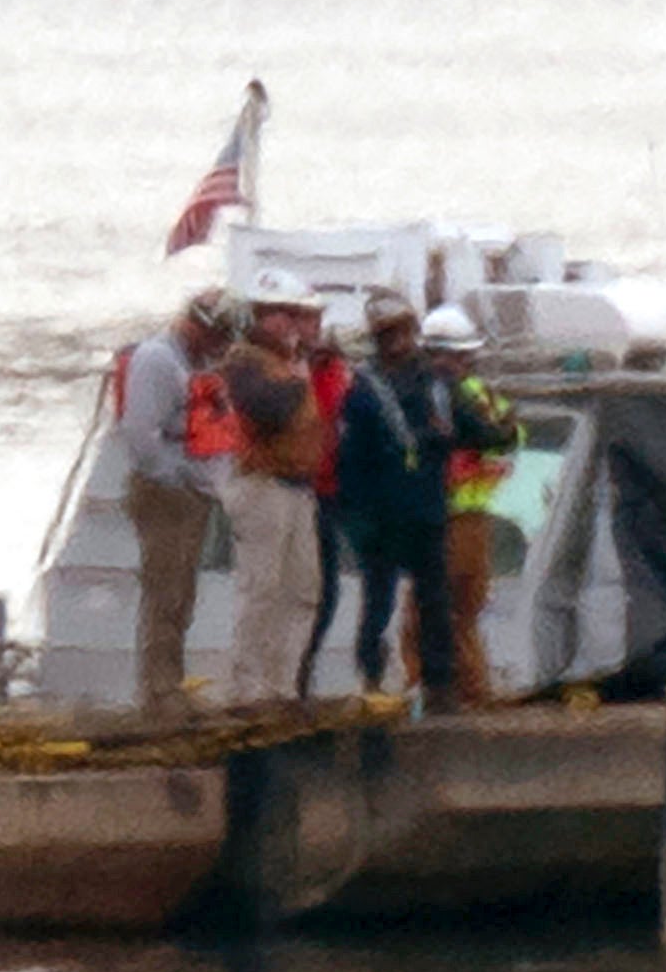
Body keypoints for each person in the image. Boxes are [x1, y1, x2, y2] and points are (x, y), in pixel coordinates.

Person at [333, 294, 477, 706]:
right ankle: (373, 679)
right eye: (386, 333)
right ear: (377, 338)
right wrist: (354, 514)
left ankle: (440, 685)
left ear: (414, 330)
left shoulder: (439, 381)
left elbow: (481, 430)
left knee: (435, 598)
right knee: (378, 600)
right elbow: (354, 455)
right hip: (379, 513)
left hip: (426, 507)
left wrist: (458, 429)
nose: (396, 340)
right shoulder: (362, 389)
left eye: (402, 330)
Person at [102, 287, 242, 708]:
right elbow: (140, 433)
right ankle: (158, 690)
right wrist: (175, 475)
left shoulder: (196, 363)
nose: (221, 345)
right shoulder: (157, 359)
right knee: (164, 592)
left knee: (183, 594)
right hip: (164, 492)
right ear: (195, 324)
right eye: (217, 333)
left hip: (193, 490)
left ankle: (171, 681)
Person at [215, 289, 339, 706]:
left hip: (299, 487)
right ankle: (246, 686)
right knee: (261, 587)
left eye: (296, 315)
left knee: (304, 588)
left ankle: (281, 685)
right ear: (260, 317)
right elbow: (268, 410)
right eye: (283, 315)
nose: (292, 325)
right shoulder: (244, 360)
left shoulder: (289, 364)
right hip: (263, 483)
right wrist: (301, 373)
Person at [421, 305, 520, 698]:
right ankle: (465, 692)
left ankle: (454, 693)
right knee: (454, 614)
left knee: (446, 613)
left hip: (454, 517)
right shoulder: (482, 396)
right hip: (460, 516)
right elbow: (512, 439)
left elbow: (506, 439)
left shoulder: (452, 396)